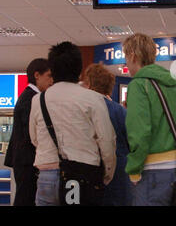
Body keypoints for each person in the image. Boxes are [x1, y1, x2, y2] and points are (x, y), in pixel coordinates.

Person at [29, 42, 117, 206]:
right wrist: (107, 174)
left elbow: (34, 139)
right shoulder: (93, 99)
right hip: (81, 175)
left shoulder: (37, 100)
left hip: (47, 175)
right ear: (79, 69)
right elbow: (106, 140)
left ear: (52, 70)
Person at [122, 33, 176, 206]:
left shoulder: (139, 85)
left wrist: (134, 169)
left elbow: (140, 132)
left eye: (126, 58)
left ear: (133, 56)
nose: (126, 63)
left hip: (153, 172)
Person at [4, 58, 53, 206]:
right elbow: (31, 134)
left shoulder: (29, 96)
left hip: (25, 160)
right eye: (49, 76)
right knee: (26, 198)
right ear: (37, 75)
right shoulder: (31, 99)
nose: (52, 81)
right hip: (27, 161)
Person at [84, 63, 133, 206]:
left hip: (91, 172)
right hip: (119, 173)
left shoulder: (83, 110)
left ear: (89, 84)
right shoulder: (121, 111)